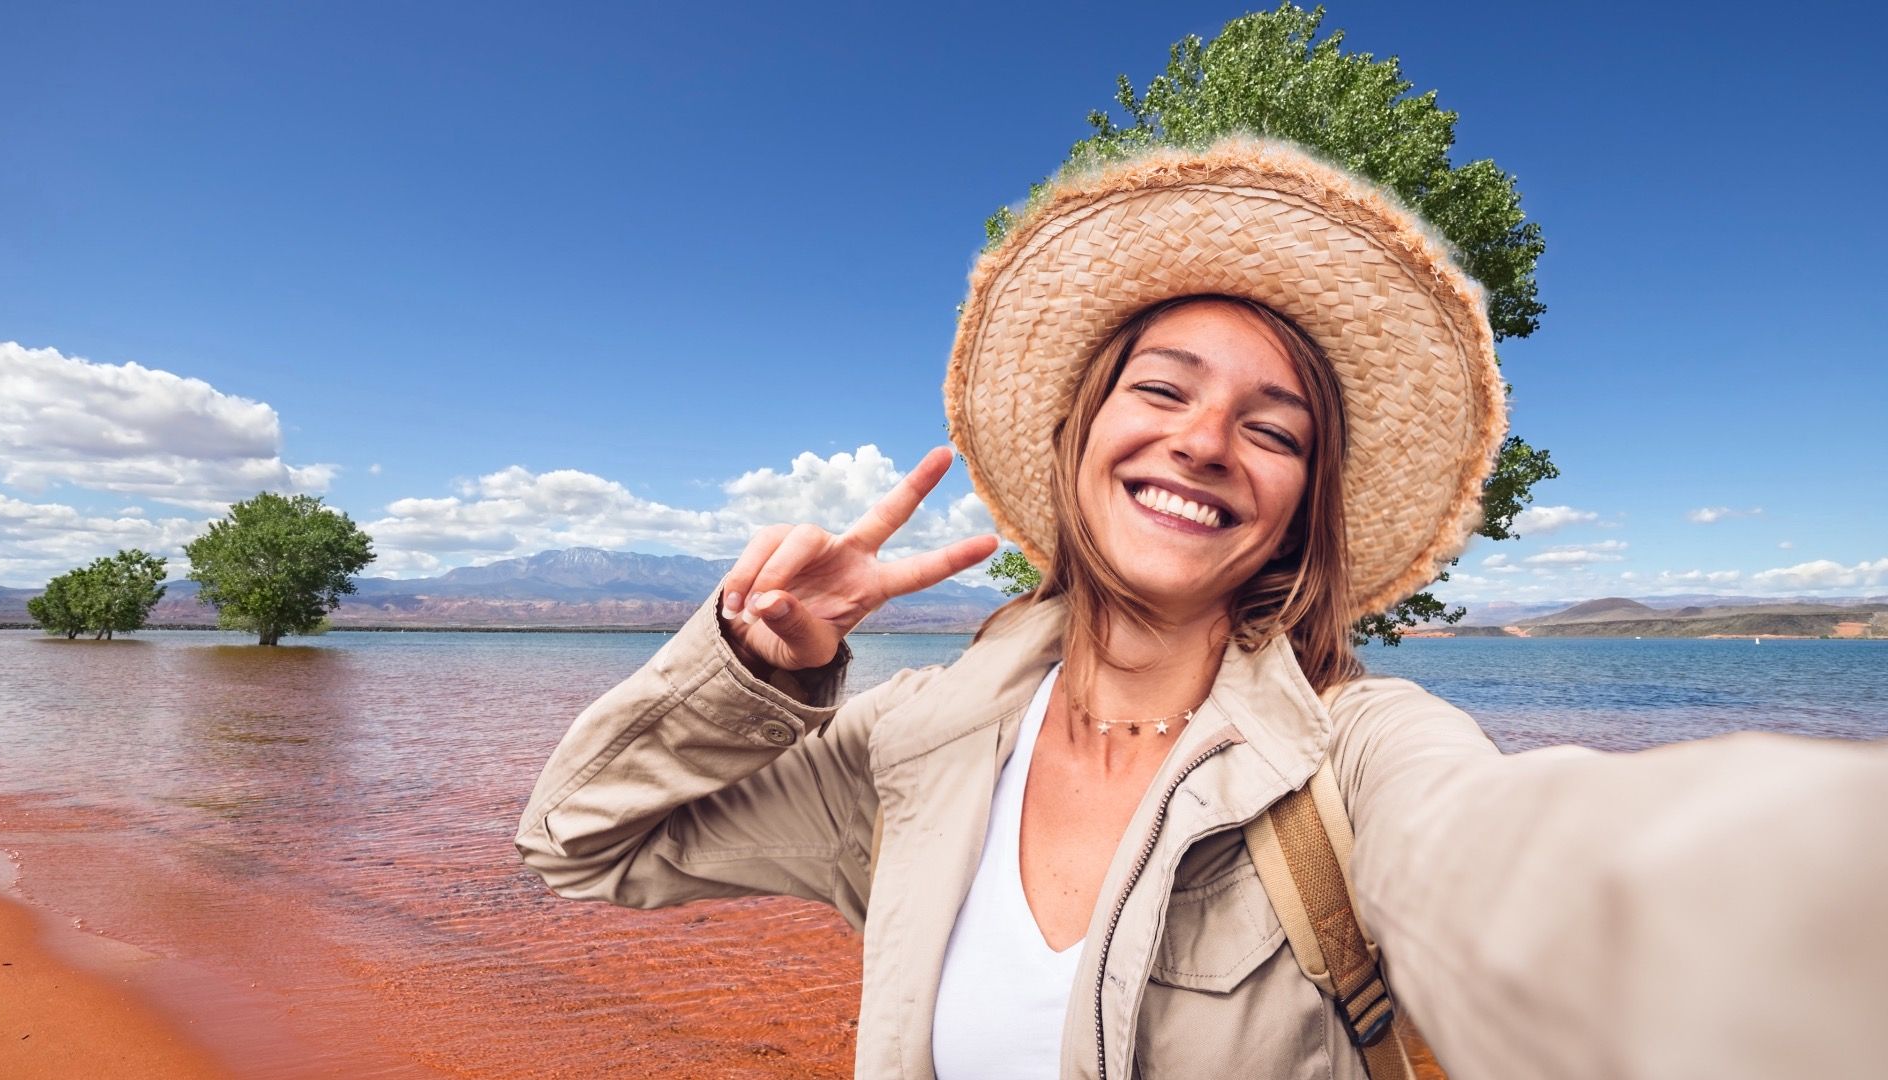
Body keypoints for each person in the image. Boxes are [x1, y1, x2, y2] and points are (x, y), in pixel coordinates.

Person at [516, 137, 1888, 1079]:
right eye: (1162, 390)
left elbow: (1533, 877)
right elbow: (583, 843)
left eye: (1273, 427)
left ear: (1301, 505)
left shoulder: (1356, 759)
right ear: (1084, 434)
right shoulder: (913, 744)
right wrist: (753, 668)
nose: (1205, 440)